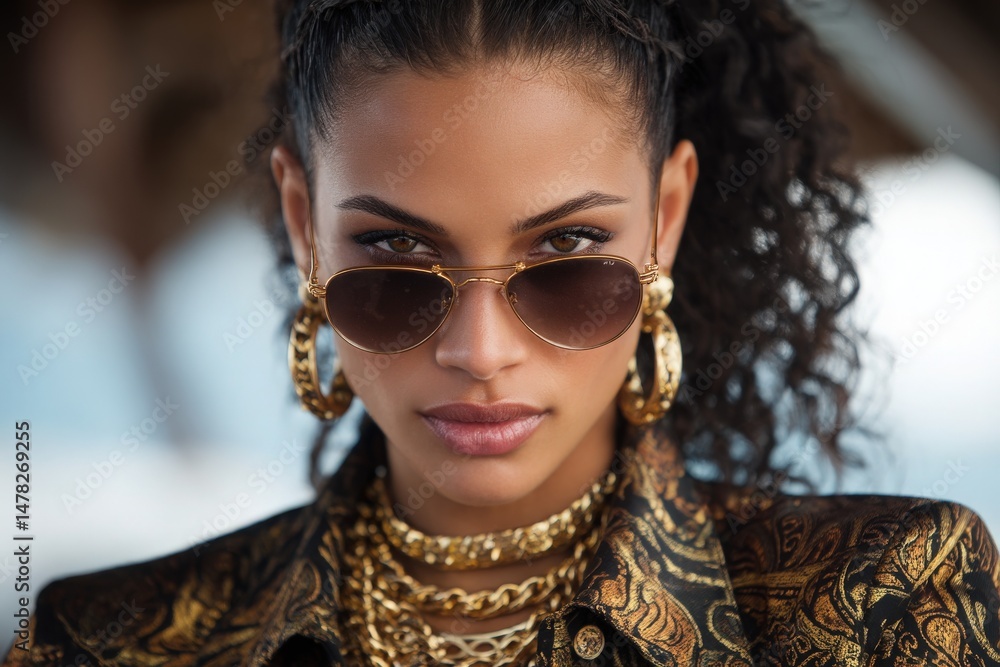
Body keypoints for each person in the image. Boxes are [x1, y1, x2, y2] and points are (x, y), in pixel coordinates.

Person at [5, 1, 999, 665]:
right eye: (397, 255)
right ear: (305, 226)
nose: (480, 352)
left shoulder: (885, 602)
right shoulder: (103, 642)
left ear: (665, 221)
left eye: (566, 253)